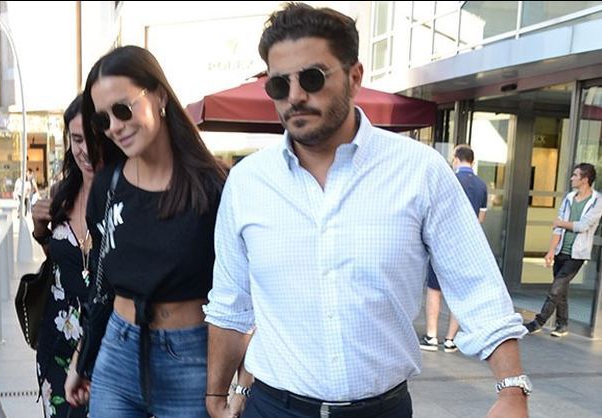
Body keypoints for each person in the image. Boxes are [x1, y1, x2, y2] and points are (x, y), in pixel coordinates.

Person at [204, 4, 530, 418]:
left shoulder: (420, 171)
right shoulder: (248, 182)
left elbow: (476, 283)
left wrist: (511, 389)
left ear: (354, 77)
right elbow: (231, 303)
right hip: (274, 407)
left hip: (382, 409)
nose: (296, 96)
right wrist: (217, 394)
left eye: (312, 78)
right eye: (279, 85)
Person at [65, 45, 230, 418]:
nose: (115, 127)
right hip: (118, 349)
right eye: (103, 120)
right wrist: (82, 357)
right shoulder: (108, 186)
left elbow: (240, 294)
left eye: (123, 110)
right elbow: (102, 288)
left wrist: (234, 383)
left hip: (191, 356)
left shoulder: (214, 187)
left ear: (159, 96)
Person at [30, 94, 94, 418]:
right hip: (56, 339)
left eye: (93, 137)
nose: (86, 150)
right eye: (77, 139)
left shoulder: (126, 197)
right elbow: (58, 261)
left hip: (104, 342)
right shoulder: (61, 194)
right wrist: (40, 229)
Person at [420, 144, 488, 353]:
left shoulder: (449, 180)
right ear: (472, 161)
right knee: (459, 292)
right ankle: (451, 339)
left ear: (456, 159)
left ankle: (431, 336)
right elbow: (480, 218)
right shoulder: (481, 185)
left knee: (434, 290)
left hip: (443, 243)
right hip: (466, 246)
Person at [524, 163, 602, 338]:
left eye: (575, 175)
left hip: (577, 255)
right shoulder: (569, 198)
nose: (572, 178)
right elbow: (557, 227)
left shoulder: (597, 201)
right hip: (561, 251)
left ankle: (538, 322)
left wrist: (561, 223)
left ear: (585, 179)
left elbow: (583, 226)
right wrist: (551, 250)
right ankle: (562, 325)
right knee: (561, 290)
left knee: (555, 289)